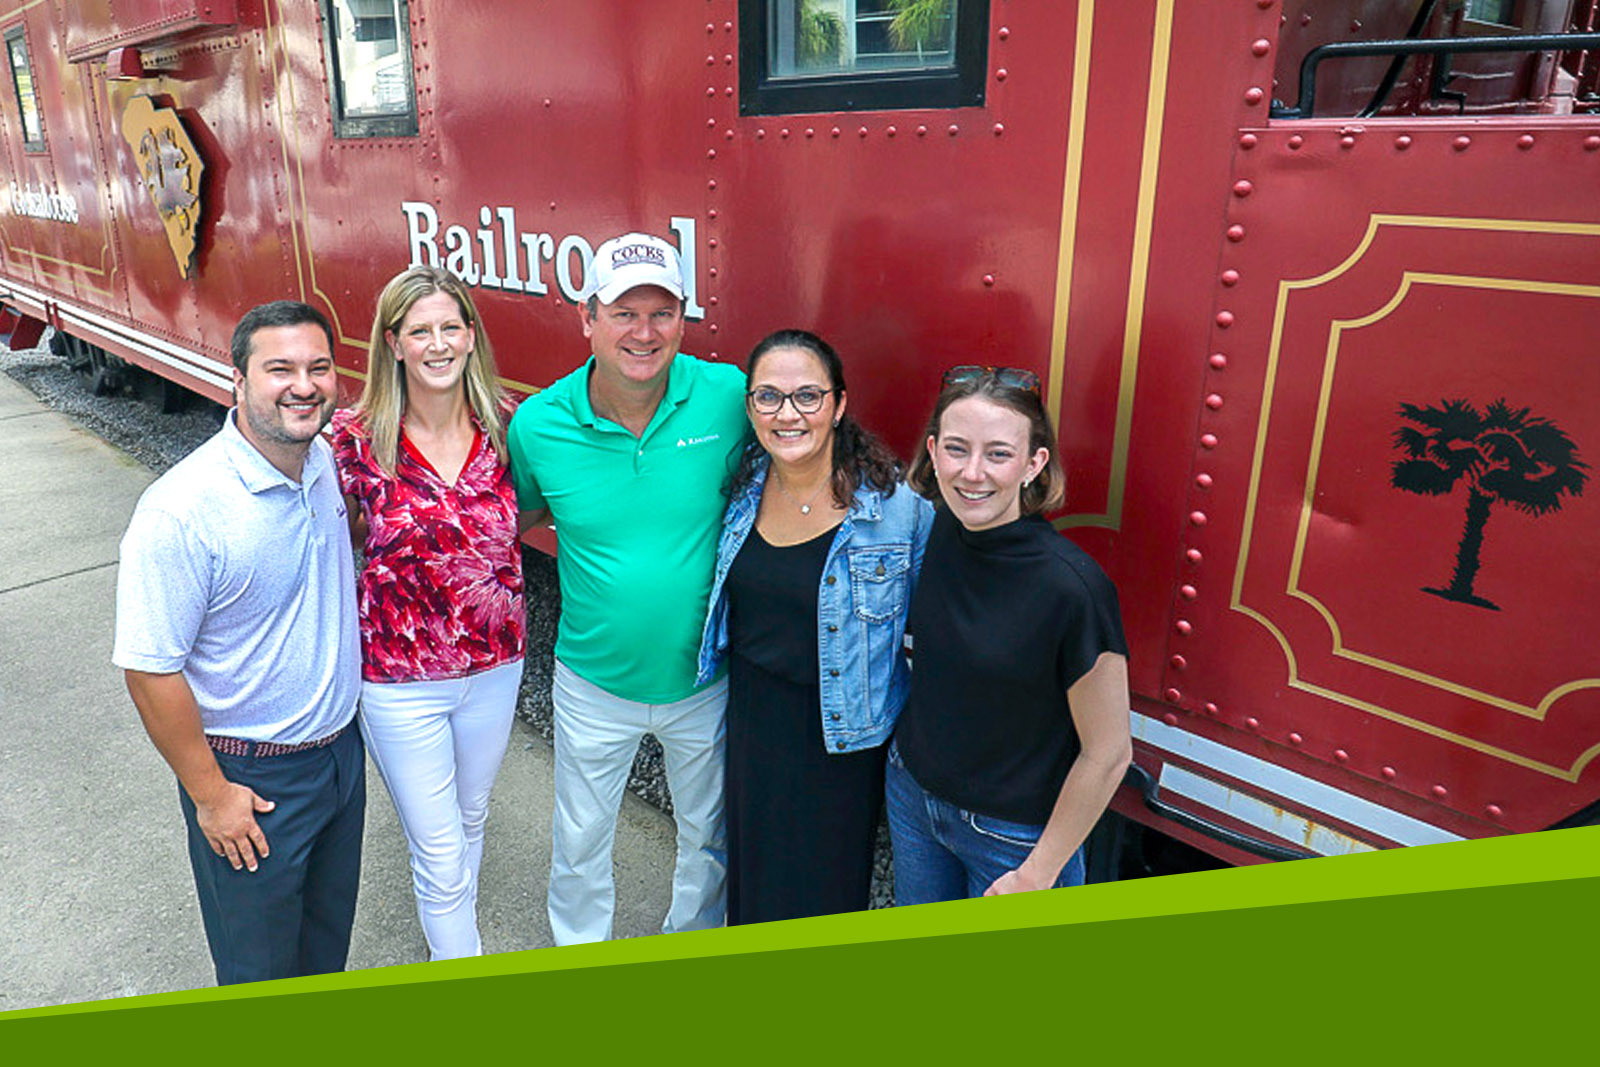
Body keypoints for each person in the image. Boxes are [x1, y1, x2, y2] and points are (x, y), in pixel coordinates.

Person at [113, 301, 364, 985]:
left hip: (339, 760)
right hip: (252, 780)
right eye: (279, 368)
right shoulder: (182, 511)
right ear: (238, 379)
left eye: (318, 367)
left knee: (322, 954)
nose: (303, 385)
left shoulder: (322, 465)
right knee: (259, 971)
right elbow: (148, 669)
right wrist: (211, 794)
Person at [507, 232, 747, 945]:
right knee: (581, 838)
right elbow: (518, 516)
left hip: (705, 678)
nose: (644, 332)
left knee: (708, 835)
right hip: (593, 680)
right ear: (588, 318)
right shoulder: (540, 424)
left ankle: (694, 942)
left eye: (662, 312)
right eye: (624, 313)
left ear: (683, 319)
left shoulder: (729, 395)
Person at [696, 330, 933, 924]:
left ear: (839, 404)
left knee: (825, 892)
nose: (787, 414)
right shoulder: (742, 490)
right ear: (750, 408)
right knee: (751, 879)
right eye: (768, 398)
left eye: (807, 396)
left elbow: (948, 615)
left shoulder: (895, 510)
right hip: (753, 719)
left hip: (840, 737)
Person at [329, 266, 524, 960]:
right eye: (421, 331)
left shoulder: (506, 427)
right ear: (395, 343)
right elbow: (337, 535)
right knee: (440, 851)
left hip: (497, 667)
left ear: (470, 336)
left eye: (450, 327)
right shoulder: (354, 438)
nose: (438, 343)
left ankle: (455, 933)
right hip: (399, 680)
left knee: (471, 818)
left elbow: (529, 515)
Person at [887, 365, 1133, 902]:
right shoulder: (938, 529)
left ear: (1033, 463)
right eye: (956, 449)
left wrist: (1037, 872)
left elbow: (1110, 752)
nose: (973, 473)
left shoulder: (1073, 589)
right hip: (912, 799)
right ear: (932, 451)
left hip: (1012, 837)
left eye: (998, 453)